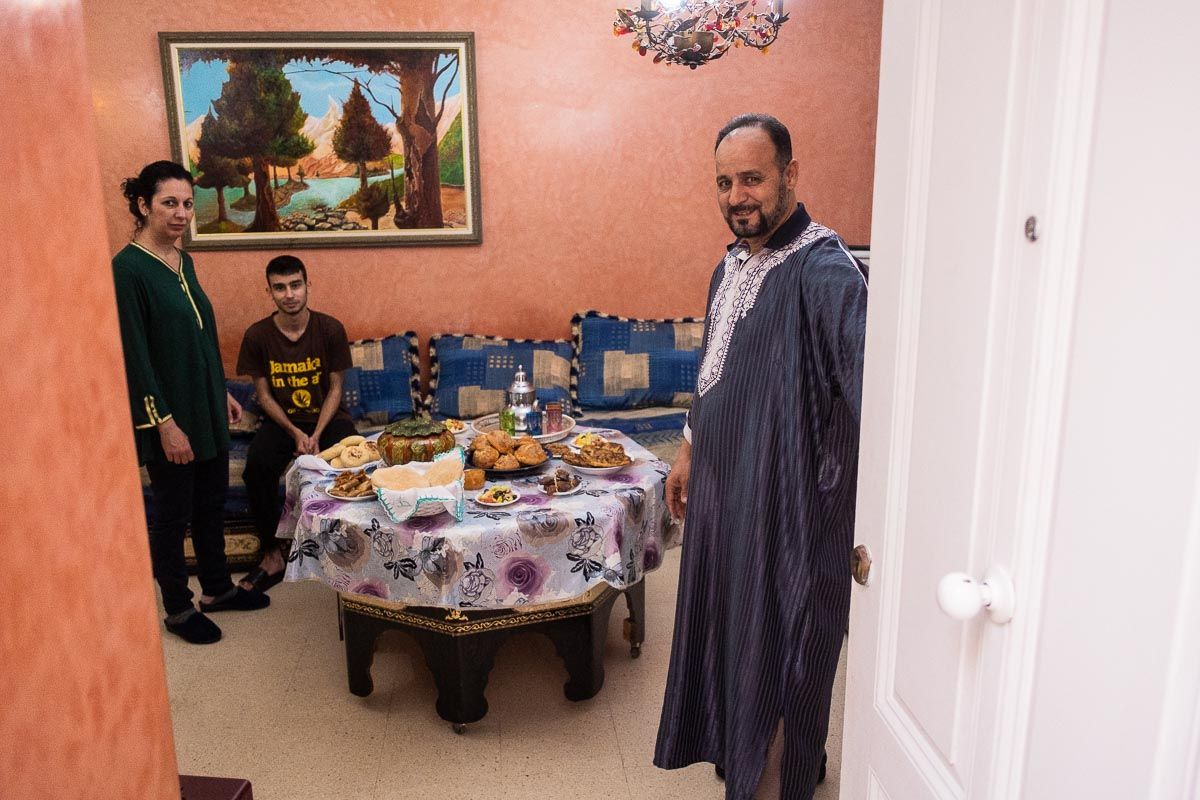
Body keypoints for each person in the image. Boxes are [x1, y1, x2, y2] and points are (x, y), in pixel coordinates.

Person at [653, 114, 868, 799]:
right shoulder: (730, 263)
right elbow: (714, 369)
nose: (737, 195)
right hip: (724, 491)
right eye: (725, 182)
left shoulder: (828, 271)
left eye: (752, 177)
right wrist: (688, 449)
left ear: (790, 175)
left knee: (787, 650)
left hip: (790, 509)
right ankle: (736, 751)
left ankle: (782, 777)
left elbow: (874, 400)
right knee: (729, 631)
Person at [113, 160, 270, 646]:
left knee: (210, 505)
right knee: (172, 513)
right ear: (143, 205)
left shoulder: (185, 260)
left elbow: (197, 340)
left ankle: (218, 590)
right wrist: (164, 424)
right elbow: (135, 356)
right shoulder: (128, 270)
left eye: (187, 204)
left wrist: (218, 391)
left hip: (204, 409)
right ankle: (179, 609)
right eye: (169, 203)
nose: (182, 213)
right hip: (171, 420)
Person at [236, 255, 358, 592]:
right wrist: (295, 433)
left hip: (328, 419)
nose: (289, 294)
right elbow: (263, 395)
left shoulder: (330, 328)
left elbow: (336, 387)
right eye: (280, 287)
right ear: (270, 292)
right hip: (282, 422)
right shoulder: (258, 335)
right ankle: (272, 555)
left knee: (358, 464)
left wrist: (316, 433)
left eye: (295, 285)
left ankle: (348, 552)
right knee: (257, 468)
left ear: (307, 286)